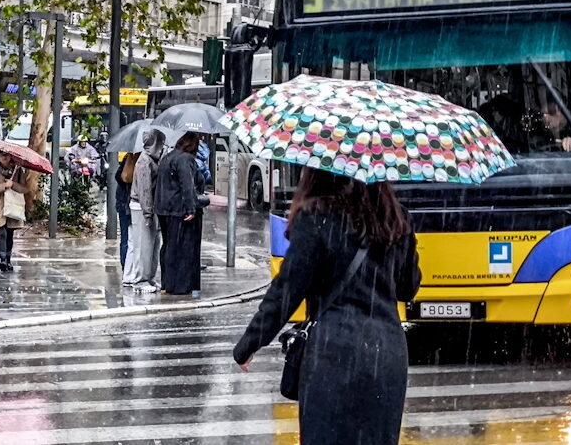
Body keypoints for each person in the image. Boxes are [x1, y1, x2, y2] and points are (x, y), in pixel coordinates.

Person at [233, 168, 420, 445]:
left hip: (333, 354)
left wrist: (249, 344)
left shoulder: (317, 217)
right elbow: (408, 288)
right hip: (386, 355)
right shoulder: (395, 217)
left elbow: (287, 290)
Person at [154, 132, 205, 296]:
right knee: (181, 248)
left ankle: (167, 283)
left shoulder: (167, 157)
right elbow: (187, 185)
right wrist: (191, 209)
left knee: (168, 246)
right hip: (178, 210)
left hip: (163, 209)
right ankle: (179, 285)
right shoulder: (184, 159)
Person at [123, 129, 165, 292]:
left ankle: (149, 277)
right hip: (142, 208)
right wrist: (148, 213)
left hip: (149, 208)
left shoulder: (152, 159)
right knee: (144, 245)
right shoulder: (144, 161)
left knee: (153, 245)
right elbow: (145, 189)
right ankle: (141, 280)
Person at [0, 153, 25, 272]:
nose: (4, 158)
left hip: (13, 206)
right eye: (2, 156)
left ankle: (8, 259)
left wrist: (13, 185)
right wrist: (4, 185)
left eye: (7, 156)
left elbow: (25, 188)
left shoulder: (18, 170)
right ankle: (2, 259)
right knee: (2, 232)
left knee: (10, 234)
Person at [115, 152, 139, 266]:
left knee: (125, 238)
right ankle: (130, 268)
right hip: (130, 204)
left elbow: (118, 177)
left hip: (123, 204)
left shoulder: (127, 159)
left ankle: (126, 268)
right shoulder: (141, 161)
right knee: (132, 239)